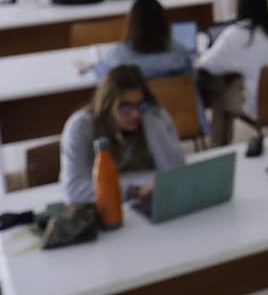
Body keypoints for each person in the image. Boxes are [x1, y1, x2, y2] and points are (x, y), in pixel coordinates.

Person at [60, 64, 184, 204]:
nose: (135, 114)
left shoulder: (153, 116)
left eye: (140, 105)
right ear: (107, 105)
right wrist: (132, 191)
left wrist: (149, 120)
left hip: (148, 203)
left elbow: (176, 173)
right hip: (106, 207)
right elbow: (75, 189)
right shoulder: (81, 127)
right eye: (125, 107)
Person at [198, 0, 268, 145]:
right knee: (241, 79)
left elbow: (206, 64)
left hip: (258, 108)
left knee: (219, 91)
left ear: (239, 7)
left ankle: (219, 147)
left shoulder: (236, 34)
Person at [80, 0, 193, 80]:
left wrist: (93, 65)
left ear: (131, 25)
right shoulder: (181, 53)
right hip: (178, 110)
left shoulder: (117, 57)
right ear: (164, 23)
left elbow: (101, 77)